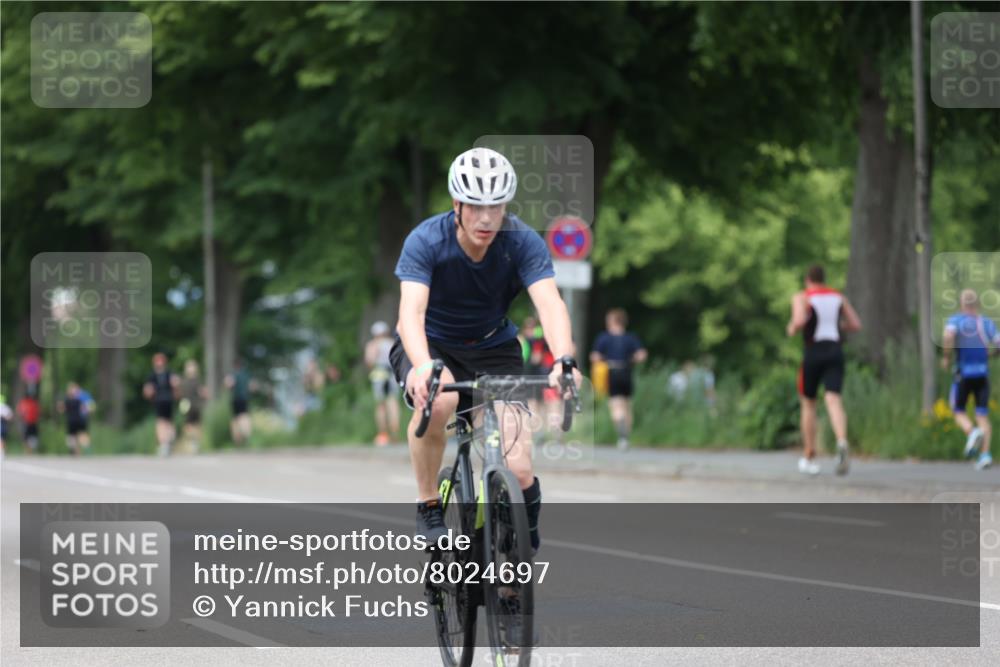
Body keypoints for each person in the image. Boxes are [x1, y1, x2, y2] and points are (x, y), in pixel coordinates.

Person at [391, 146, 579, 552]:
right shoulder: (426, 240)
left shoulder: (522, 241)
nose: (487, 218)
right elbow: (411, 313)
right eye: (475, 206)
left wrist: (564, 358)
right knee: (438, 403)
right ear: (457, 204)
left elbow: (549, 304)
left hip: (494, 348)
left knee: (520, 466)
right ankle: (428, 505)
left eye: (496, 206)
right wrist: (423, 367)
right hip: (431, 344)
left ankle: (515, 554)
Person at [786, 265, 862, 476]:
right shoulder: (838, 296)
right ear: (823, 279)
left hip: (814, 352)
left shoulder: (803, 297)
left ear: (807, 279)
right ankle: (841, 441)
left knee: (808, 403)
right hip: (835, 351)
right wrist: (839, 326)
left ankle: (809, 454)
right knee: (833, 399)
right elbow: (856, 324)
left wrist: (792, 327)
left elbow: (800, 320)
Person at [942, 288, 999, 470]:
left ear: (962, 303)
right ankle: (985, 455)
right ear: (977, 304)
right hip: (982, 374)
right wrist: (991, 355)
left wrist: (946, 357)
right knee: (982, 414)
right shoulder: (986, 323)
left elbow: (948, 336)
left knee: (958, 410)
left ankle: (972, 432)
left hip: (963, 373)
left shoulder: (956, 321)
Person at [590, 308, 647, 450]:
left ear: (611, 321)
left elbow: (595, 357)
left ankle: (621, 436)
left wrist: (604, 360)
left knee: (616, 405)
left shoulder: (604, 338)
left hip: (612, 372)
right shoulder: (631, 338)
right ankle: (626, 436)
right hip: (627, 371)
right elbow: (642, 355)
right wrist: (631, 359)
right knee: (627, 405)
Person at [365, 321, 400, 446]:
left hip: (379, 373)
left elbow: (370, 361)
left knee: (380, 405)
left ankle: (383, 435)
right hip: (392, 374)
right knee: (393, 402)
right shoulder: (391, 343)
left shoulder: (372, 345)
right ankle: (395, 433)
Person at [143, 353, 179, 457]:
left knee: (161, 423)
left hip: (162, 400)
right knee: (166, 422)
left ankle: (164, 443)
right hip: (166, 400)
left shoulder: (153, 375)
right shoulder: (168, 373)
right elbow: (175, 385)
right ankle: (168, 440)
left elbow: (147, 391)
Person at [178, 360, 207, 454]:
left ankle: (196, 443)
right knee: (188, 426)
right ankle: (193, 441)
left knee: (197, 425)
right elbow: (180, 394)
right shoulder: (184, 381)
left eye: (192, 367)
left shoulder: (198, 381)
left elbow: (202, 392)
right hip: (187, 406)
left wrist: (204, 394)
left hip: (197, 405)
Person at [59, 382, 93, 455]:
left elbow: (61, 409)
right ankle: (85, 450)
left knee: (72, 436)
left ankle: (75, 451)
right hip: (80, 419)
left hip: (72, 420)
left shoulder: (67, 400)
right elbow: (87, 408)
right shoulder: (80, 398)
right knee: (81, 435)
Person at [225, 358, 253, 446]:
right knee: (245, 416)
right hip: (245, 398)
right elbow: (252, 387)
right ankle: (247, 435)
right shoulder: (246, 374)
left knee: (235, 419)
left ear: (234, 365)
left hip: (236, 399)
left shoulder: (233, 374)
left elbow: (229, 384)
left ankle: (237, 440)